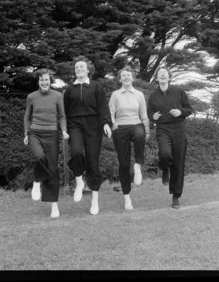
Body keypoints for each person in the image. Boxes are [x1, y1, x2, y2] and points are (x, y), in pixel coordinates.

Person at [63, 56, 112, 215]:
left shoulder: (96, 86)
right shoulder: (70, 89)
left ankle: (95, 198)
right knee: (76, 152)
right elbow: (64, 111)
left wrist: (105, 123)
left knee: (92, 161)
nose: (78, 70)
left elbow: (103, 106)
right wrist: (63, 128)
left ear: (88, 70)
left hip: (93, 126)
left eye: (81, 67)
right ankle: (79, 182)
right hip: (74, 125)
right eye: (76, 68)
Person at [24, 69, 69, 218]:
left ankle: (54, 205)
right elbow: (27, 117)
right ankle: (37, 181)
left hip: (52, 134)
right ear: (38, 81)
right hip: (35, 133)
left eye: (47, 80)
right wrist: (26, 133)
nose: (44, 82)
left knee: (52, 169)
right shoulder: (31, 97)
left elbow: (62, 116)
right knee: (39, 156)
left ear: (50, 81)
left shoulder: (57, 96)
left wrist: (63, 130)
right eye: (41, 80)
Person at [147, 66, 193, 209]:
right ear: (156, 78)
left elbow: (189, 109)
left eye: (164, 73)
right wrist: (152, 117)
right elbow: (150, 114)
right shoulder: (153, 95)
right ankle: (165, 168)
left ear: (169, 76)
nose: (162, 75)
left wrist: (180, 112)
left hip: (179, 128)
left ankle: (175, 196)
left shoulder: (178, 91)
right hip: (163, 129)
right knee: (165, 154)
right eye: (159, 73)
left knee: (178, 163)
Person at [109, 66, 150, 210]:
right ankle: (127, 197)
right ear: (120, 79)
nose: (126, 77)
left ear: (132, 77)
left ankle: (138, 164)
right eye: (123, 75)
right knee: (123, 164)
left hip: (135, 123)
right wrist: (113, 124)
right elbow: (111, 112)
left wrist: (147, 130)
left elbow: (144, 114)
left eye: (128, 75)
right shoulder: (115, 94)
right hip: (120, 127)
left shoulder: (139, 94)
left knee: (139, 135)